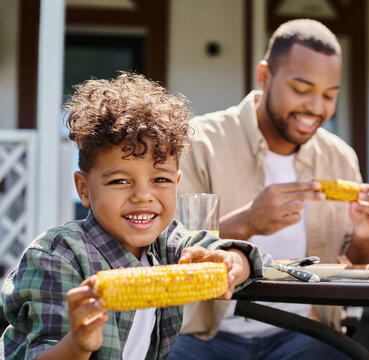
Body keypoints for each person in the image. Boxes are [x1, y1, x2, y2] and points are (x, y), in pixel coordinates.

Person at [0, 73, 262, 360]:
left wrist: (234, 261)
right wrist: (78, 343)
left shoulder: (169, 243)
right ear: (84, 189)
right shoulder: (56, 258)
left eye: (160, 180)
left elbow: (223, 250)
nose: (142, 196)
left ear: (177, 181)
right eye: (120, 181)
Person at [170, 19, 369, 360]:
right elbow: (169, 252)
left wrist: (364, 236)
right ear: (264, 77)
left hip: (302, 334)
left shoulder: (340, 158)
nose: (317, 108)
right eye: (302, 89)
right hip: (203, 335)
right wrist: (248, 222)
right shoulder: (199, 142)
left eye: (330, 95)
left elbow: (355, 272)